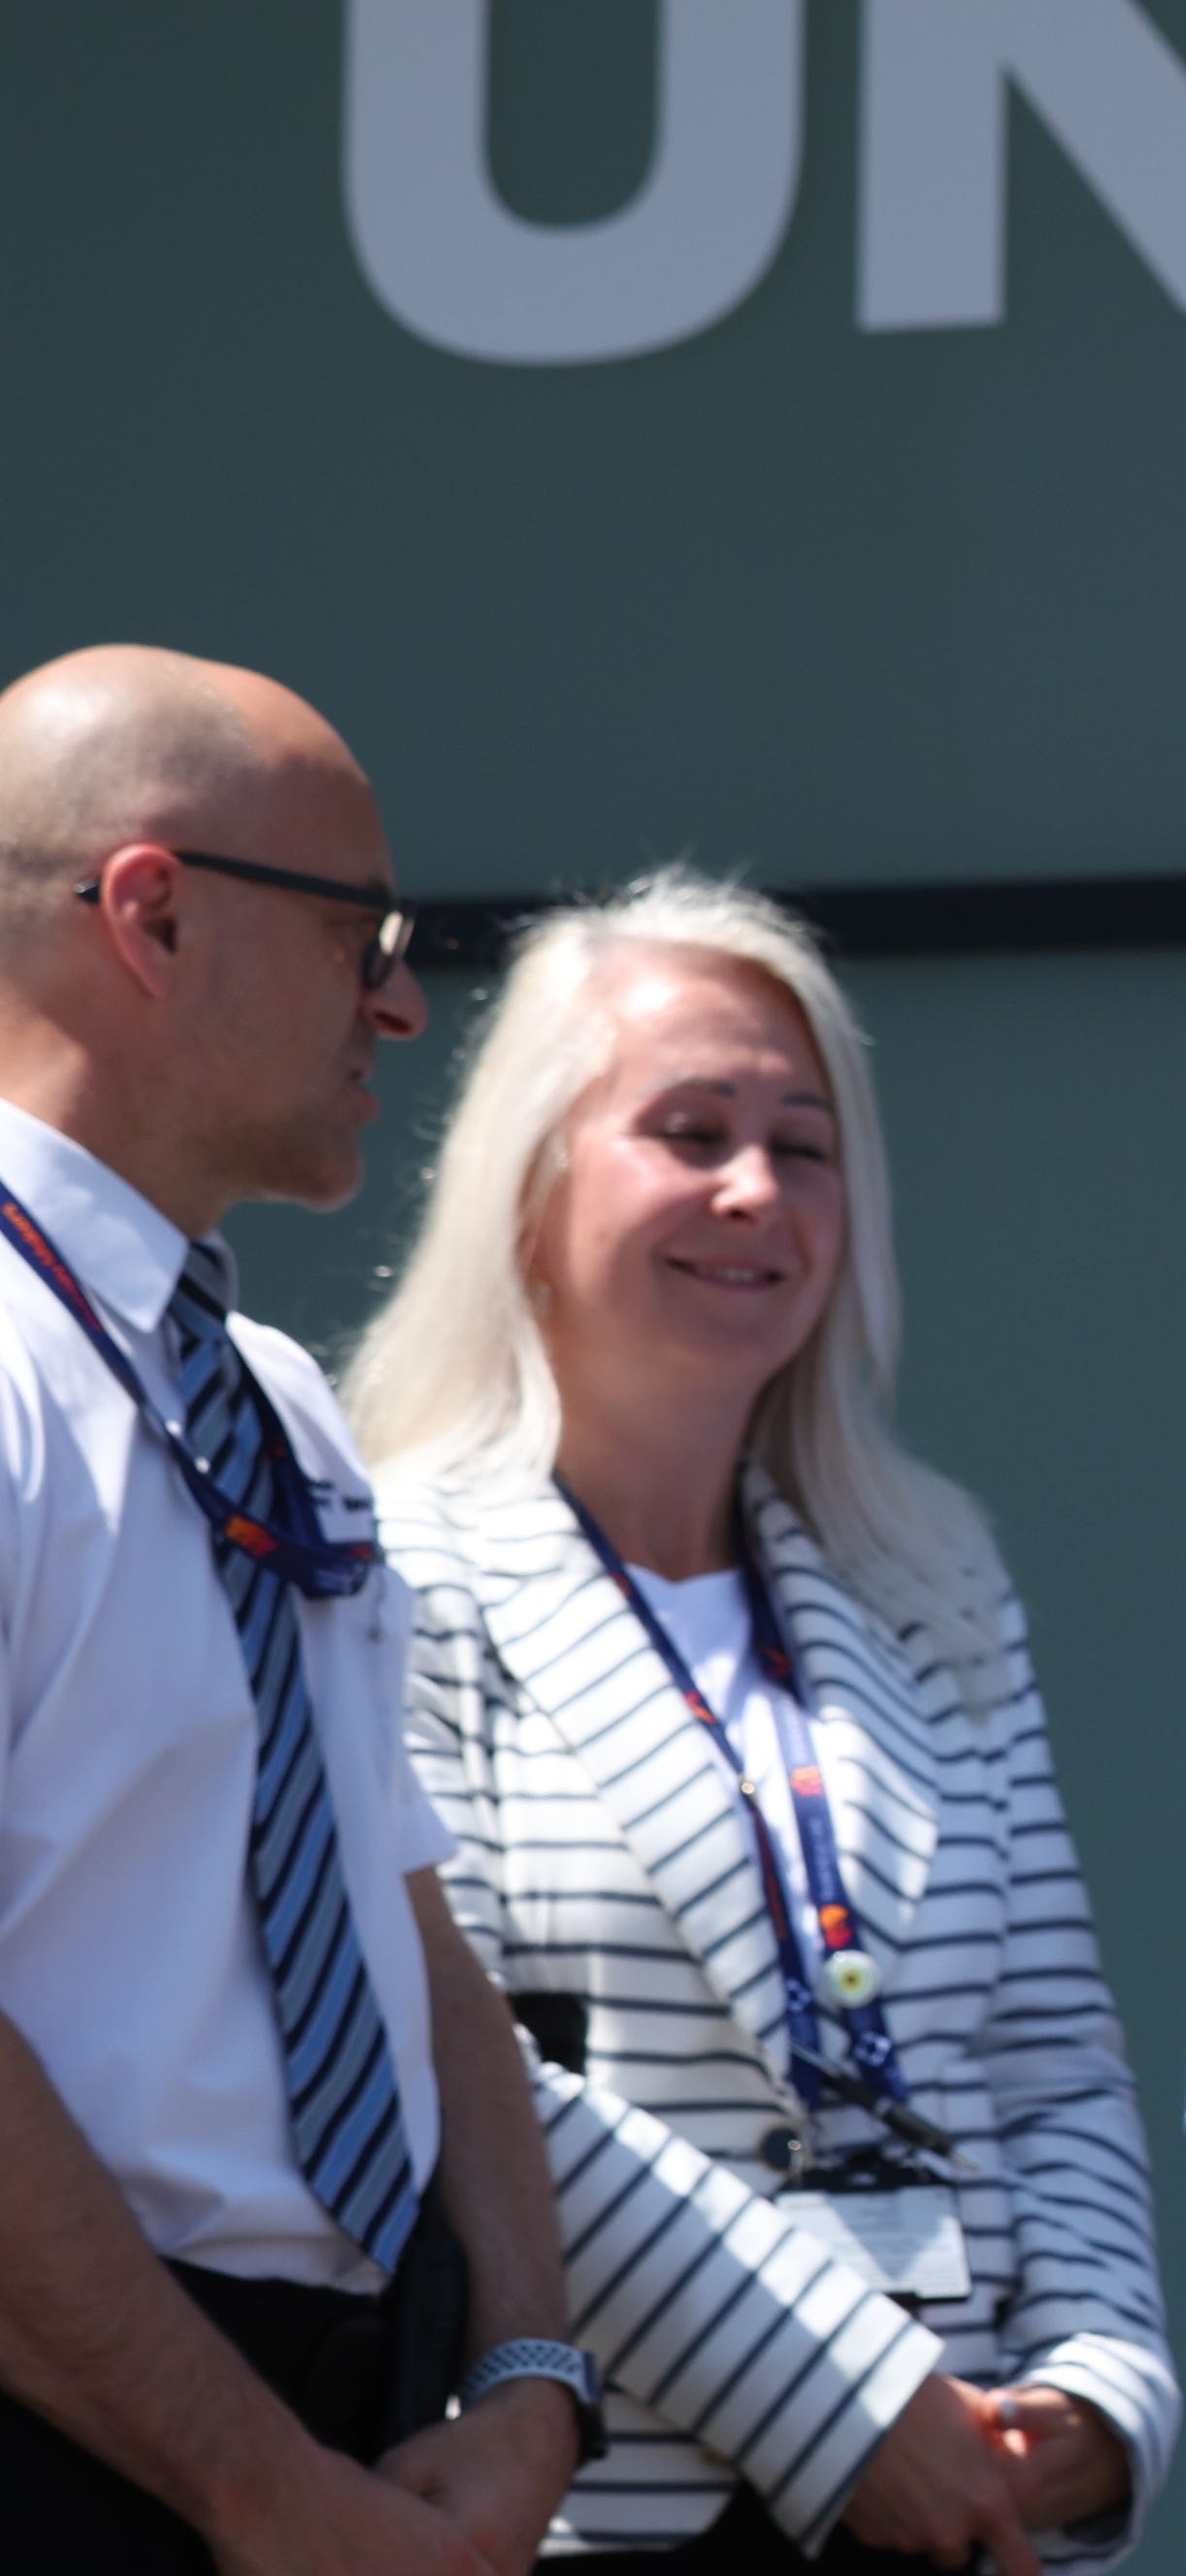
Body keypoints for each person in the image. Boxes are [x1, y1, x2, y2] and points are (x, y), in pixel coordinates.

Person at [352, 871, 1180, 2570]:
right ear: (528, 1183)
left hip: (963, 2520)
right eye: (690, 1129)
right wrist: (846, 2410)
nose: (756, 1190)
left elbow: (1048, 2054)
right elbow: (467, 2078)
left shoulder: (932, 1579)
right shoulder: (386, 1572)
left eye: (803, 1146)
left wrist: (1095, 2404)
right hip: (601, 2517)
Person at [0, 643, 598, 2573]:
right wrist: (262, 2489)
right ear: (154, 913)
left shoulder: (272, 1394)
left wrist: (522, 2379)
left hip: (334, 2442)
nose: (407, 1001)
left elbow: (403, 1923)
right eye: (363, 932)